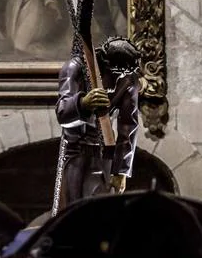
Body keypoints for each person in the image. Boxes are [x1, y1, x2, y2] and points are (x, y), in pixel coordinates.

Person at [53, 36, 142, 209]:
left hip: (105, 150)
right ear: (106, 64)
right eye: (116, 73)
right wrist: (83, 104)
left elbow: (128, 126)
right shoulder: (75, 68)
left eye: (123, 74)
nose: (118, 80)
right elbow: (62, 112)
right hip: (75, 148)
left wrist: (121, 170)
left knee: (105, 210)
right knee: (72, 209)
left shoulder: (128, 77)